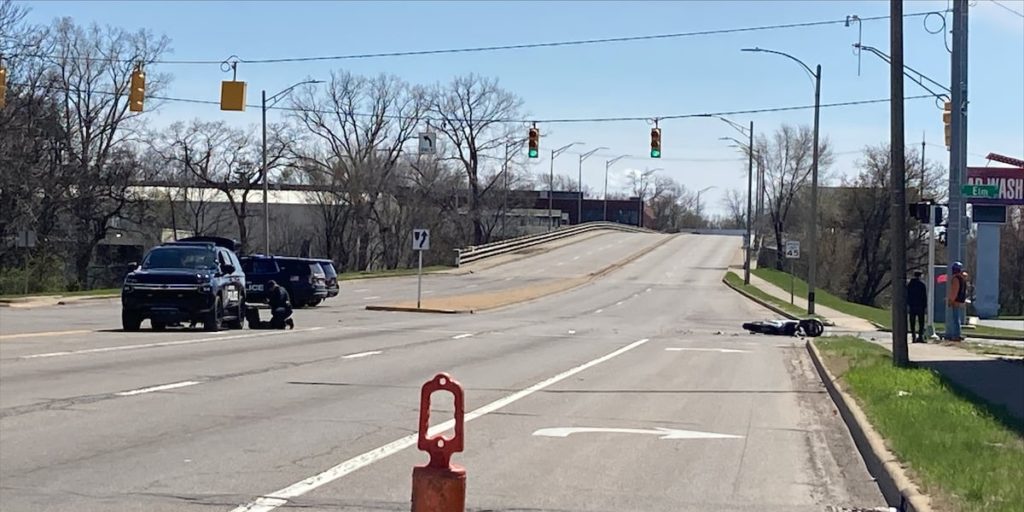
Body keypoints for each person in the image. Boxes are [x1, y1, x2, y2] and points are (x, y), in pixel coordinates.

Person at [946, 262, 969, 342]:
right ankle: (957, 334)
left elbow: (954, 291)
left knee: (955, 319)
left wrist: (950, 300)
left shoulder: (956, 279)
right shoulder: (963, 278)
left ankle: (956, 335)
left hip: (956, 301)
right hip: (961, 300)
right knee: (957, 318)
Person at [906, 271, 928, 343]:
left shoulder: (910, 284)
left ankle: (913, 336)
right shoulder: (922, 285)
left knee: (912, 322)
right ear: (920, 276)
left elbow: (907, 295)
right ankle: (920, 336)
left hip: (912, 305)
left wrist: (908, 304)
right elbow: (924, 296)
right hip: (920, 306)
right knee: (921, 322)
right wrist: (925, 306)